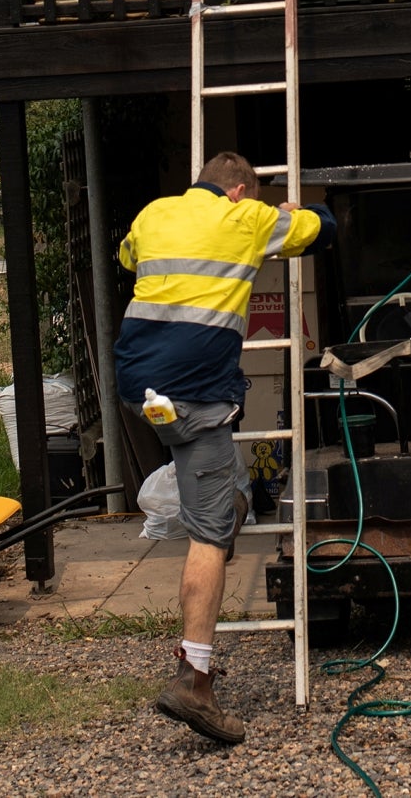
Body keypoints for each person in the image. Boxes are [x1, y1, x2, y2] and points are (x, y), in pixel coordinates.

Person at [113, 149, 329, 746]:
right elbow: (321, 228)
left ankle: (215, 525)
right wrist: (289, 210)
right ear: (238, 193)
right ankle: (194, 677)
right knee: (210, 535)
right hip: (195, 395)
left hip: (138, 385)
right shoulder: (249, 218)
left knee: (226, 494)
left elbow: (126, 255)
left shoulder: (153, 213)